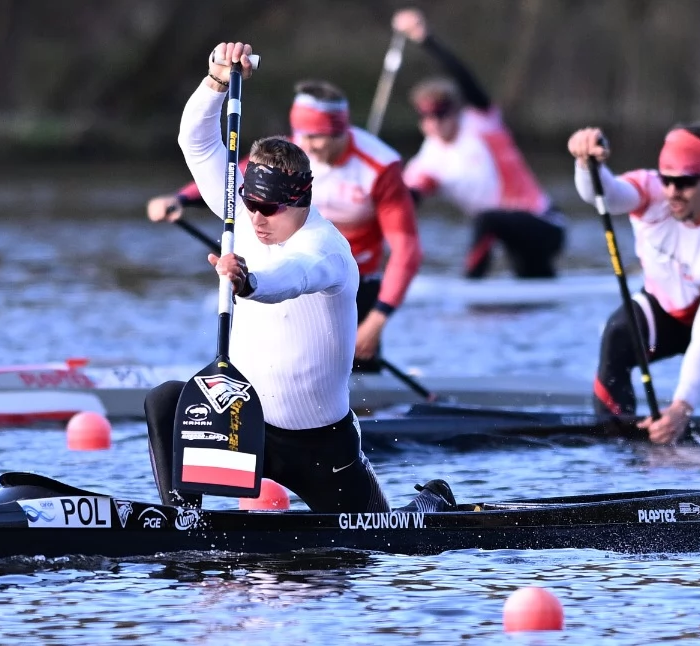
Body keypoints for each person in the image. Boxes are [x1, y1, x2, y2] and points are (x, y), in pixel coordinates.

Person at [144, 42, 454, 514]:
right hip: (247, 426)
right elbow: (195, 142)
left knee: (384, 537)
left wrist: (247, 282)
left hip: (320, 447)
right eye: (250, 204)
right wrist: (215, 81)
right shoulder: (244, 213)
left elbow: (292, 277)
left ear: (301, 201)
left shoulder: (326, 249)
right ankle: (182, 520)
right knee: (167, 400)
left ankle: (433, 501)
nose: (256, 218)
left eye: (269, 208)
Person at [146, 80, 422, 373]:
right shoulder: (294, 153)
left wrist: (377, 320)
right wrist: (180, 199)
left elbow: (406, 250)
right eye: (302, 134)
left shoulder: (380, 167)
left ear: (340, 130)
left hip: (351, 283)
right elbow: (236, 177)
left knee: (355, 370)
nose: (307, 145)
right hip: (282, 269)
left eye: (316, 136)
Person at [568, 123, 700, 445]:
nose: (672, 191)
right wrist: (586, 164)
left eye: (685, 182)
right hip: (663, 313)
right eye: (667, 179)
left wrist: (681, 408)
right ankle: (614, 441)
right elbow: (604, 195)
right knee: (617, 333)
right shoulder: (650, 190)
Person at [391, 8, 565, 279]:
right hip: (510, 240)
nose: (434, 122)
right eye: (426, 116)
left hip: (546, 226)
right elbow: (406, 201)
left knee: (487, 219)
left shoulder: (482, 124)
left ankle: (469, 286)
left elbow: (464, 77)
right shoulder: (426, 162)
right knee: (534, 287)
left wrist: (425, 39)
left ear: (455, 112)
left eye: (440, 113)